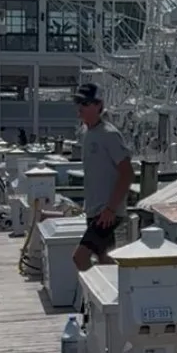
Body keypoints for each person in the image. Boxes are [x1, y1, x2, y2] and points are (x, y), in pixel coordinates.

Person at [71, 79, 134, 274]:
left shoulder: (109, 134)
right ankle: (121, 295)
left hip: (105, 213)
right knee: (105, 259)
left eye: (86, 103)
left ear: (99, 105)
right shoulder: (86, 133)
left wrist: (110, 209)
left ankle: (100, 296)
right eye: (79, 102)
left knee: (80, 257)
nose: (80, 107)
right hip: (94, 210)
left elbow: (127, 173)